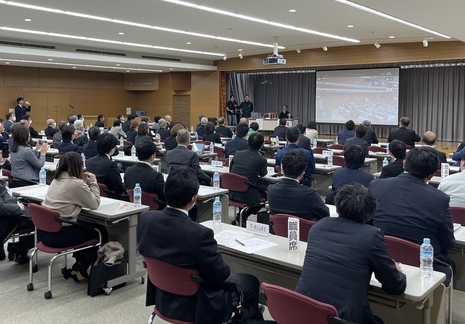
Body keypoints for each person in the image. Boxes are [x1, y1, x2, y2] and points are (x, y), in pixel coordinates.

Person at [137, 167, 263, 323]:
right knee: (250, 282)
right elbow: (221, 275)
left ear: (165, 191)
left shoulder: (145, 218)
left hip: (163, 293)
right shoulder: (199, 233)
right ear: (193, 199)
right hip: (198, 301)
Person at [295, 184, 406, 324]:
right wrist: (397, 271)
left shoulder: (319, 226)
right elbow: (394, 287)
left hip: (305, 310)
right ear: (370, 213)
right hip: (342, 318)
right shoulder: (371, 236)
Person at [369, 147, 454, 285]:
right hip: (423, 261)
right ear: (432, 174)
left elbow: (368, 223)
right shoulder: (440, 198)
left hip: (380, 255)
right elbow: (449, 241)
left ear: (404, 164)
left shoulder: (376, 185)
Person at [41, 151, 107, 281]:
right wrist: (93, 182)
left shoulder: (56, 179)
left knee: (85, 227)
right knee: (100, 231)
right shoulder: (76, 183)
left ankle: (79, 265)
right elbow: (94, 203)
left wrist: (83, 184)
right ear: (79, 166)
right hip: (60, 235)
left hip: (44, 233)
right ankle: (81, 267)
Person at [267, 150, 329, 221]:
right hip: (306, 231)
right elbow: (325, 213)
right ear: (302, 173)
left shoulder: (271, 190)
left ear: (282, 169)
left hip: (278, 230)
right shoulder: (309, 194)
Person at [229, 133, 268, 224]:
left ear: (247, 143)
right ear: (262, 145)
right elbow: (263, 174)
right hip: (247, 194)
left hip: (233, 192)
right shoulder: (261, 159)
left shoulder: (237, 154)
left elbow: (231, 170)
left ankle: (241, 216)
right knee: (267, 195)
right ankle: (243, 216)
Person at [85, 133, 127, 200]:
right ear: (112, 148)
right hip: (110, 197)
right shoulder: (110, 164)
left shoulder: (90, 161)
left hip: (93, 195)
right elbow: (119, 188)